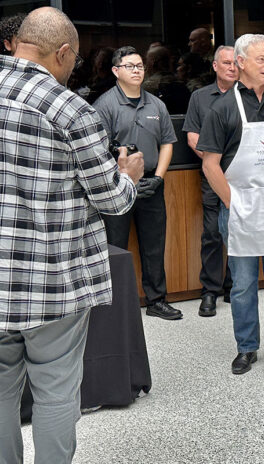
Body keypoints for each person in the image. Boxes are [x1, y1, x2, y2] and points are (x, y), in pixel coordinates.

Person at [0, 7, 143, 462]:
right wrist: (129, 176)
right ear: (62, 52)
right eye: (74, 59)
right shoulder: (70, 110)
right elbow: (111, 200)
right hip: (50, 283)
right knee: (56, 391)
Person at [198, 34, 264, 376]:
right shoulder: (223, 108)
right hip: (241, 208)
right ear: (241, 62)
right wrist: (233, 203)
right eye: (260, 59)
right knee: (243, 285)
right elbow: (209, 164)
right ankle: (246, 348)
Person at [93, 46, 181, 320]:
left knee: (154, 244)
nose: (136, 70)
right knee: (116, 246)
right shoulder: (104, 105)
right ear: (116, 71)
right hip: (116, 186)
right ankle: (116, 305)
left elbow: (167, 143)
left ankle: (157, 300)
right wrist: (122, 178)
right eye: (130, 66)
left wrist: (158, 178)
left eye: (140, 65)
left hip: (152, 185)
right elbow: (98, 150)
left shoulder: (156, 105)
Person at [183, 45, 237, 317]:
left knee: (240, 233)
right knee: (213, 233)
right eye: (226, 63)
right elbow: (192, 137)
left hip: (243, 178)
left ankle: (234, 287)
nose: (231, 67)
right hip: (211, 177)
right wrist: (214, 165)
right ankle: (210, 291)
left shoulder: (249, 97)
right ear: (215, 66)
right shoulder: (200, 97)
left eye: (235, 63)